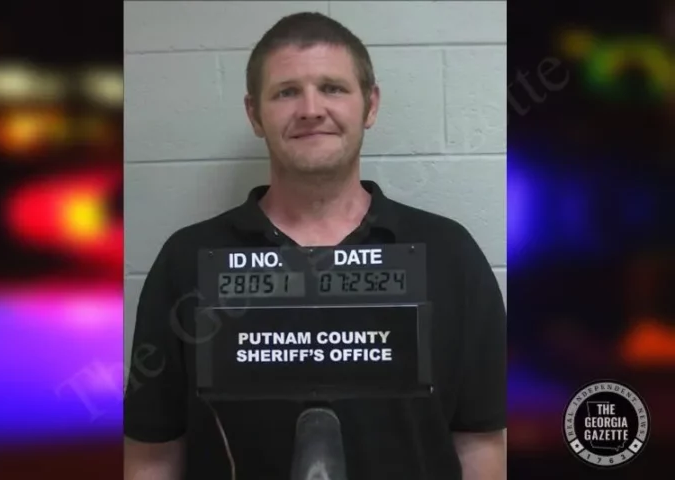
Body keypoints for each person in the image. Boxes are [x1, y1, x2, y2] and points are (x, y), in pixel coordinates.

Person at [124, 12, 506, 480]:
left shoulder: (449, 255)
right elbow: (153, 455)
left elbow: (480, 444)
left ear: (370, 105)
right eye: (286, 92)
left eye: (332, 88)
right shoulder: (186, 262)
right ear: (254, 114)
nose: (310, 108)